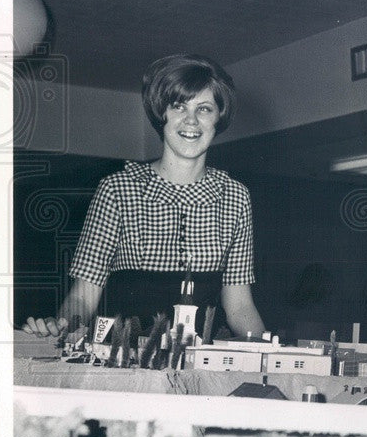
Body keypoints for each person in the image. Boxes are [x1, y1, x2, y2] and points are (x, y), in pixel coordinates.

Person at [23, 54, 266, 342]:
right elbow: (84, 296)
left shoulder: (235, 196)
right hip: (125, 358)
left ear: (218, 118)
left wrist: (269, 352)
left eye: (204, 109)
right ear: (161, 114)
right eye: (178, 107)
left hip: (198, 363)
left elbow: (239, 306)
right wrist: (59, 327)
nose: (191, 120)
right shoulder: (117, 189)